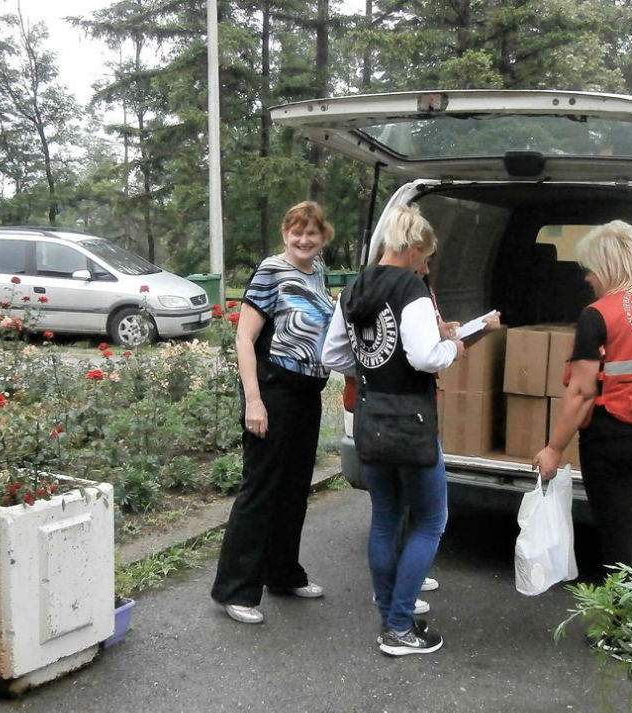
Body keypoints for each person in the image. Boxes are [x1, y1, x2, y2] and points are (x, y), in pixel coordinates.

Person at [323, 204, 497, 656]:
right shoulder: (411, 289)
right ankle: (399, 627)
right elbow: (423, 357)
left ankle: (390, 614)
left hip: (371, 417)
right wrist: (454, 348)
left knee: (385, 518)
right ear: (415, 248)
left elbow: (333, 355)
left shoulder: (355, 288)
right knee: (431, 520)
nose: (427, 267)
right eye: (427, 257)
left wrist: (372, 371)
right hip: (411, 422)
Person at [533, 220, 632, 573]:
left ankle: (622, 611)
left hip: (617, 441)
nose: (587, 277)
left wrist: (554, 449)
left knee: (618, 542)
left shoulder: (598, 315)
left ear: (606, 267)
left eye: (590, 268)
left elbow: (582, 392)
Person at [211, 201, 335, 624]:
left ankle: (282, 573)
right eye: (297, 231)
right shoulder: (271, 271)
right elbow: (244, 339)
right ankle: (236, 590)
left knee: (295, 487)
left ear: (323, 237)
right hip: (273, 392)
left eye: (312, 233)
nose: (304, 239)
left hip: (307, 393)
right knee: (261, 489)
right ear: (285, 233)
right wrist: (254, 400)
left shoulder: (317, 272)